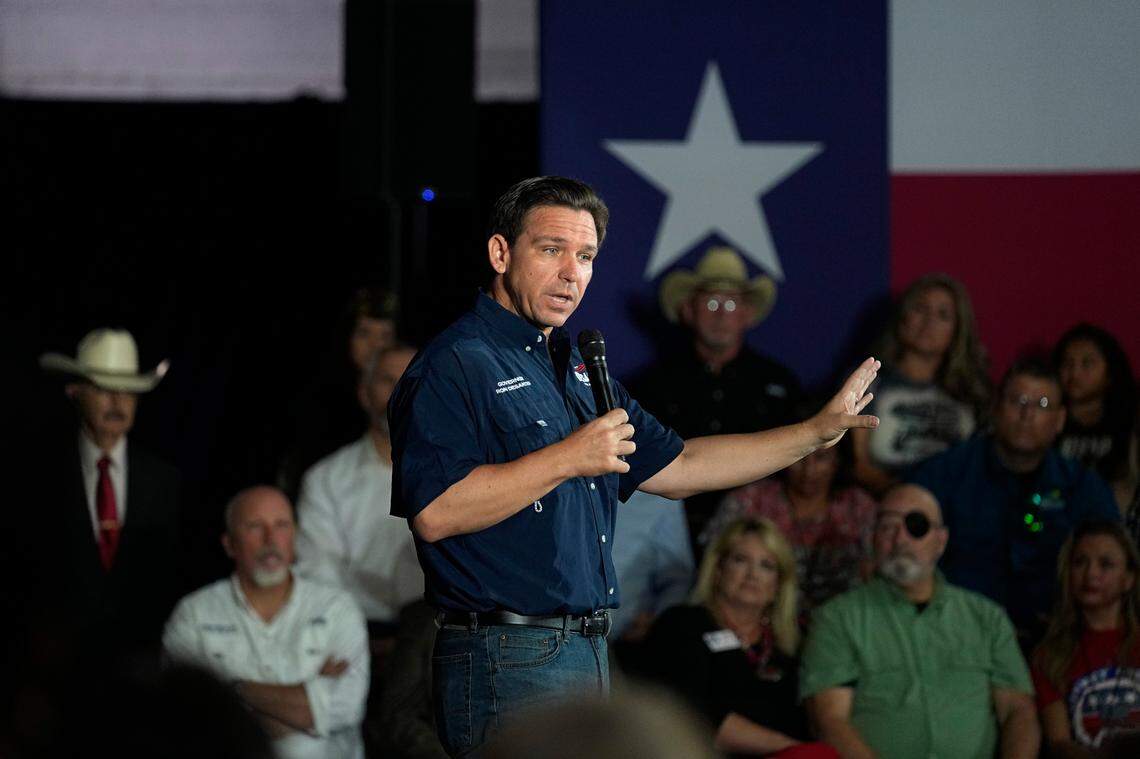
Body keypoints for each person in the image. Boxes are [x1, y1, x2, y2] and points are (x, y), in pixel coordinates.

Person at [388, 176, 881, 756]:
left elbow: (683, 465)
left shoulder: (575, 367)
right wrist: (569, 458)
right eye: (551, 250)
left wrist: (814, 434)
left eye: (586, 256)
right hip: (506, 653)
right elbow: (436, 511)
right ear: (501, 253)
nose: (572, 272)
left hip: (589, 648)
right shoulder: (455, 364)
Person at [800, 484, 1040, 759]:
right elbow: (829, 721)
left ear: (941, 541)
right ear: (873, 538)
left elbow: (1018, 710)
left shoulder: (987, 618)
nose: (901, 538)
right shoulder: (837, 619)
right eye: (888, 526)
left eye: (917, 525)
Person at [907, 356, 1120, 645]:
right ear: (996, 408)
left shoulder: (1083, 487)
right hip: (954, 635)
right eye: (1017, 400)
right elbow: (903, 545)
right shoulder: (946, 474)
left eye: (1042, 405)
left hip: (1055, 640)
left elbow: (1113, 568)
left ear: (1059, 420)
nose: (1027, 413)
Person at [163, 486, 369, 759]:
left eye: (281, 525)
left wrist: (234, 689)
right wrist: (307, 704)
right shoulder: (195, 614)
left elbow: (345, 708)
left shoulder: (337, 609)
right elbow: (189, 718)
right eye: (255, 527)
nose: (271, 539)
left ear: (294, 536)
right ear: (229, 544)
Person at [631, 245, 801, 544]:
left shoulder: (780, 384)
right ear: (688, 310)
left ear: (748, 313)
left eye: (732, 305)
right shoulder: (652, 386)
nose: (722, 315)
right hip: (666, 535)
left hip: (757, 537)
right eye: (711, 304)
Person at [35, 327, 183, 657]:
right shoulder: (39, 476)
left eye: (128, 392)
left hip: (139, 673)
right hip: (55, 671)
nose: (118, 402)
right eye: (104, 389)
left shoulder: (166, 482)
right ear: (75, 391)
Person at [643, 518, 835, 757]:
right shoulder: (683, 624)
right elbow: (689, 713)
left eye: (767, 565)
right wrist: (789, 747)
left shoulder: (791, 645)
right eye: (740, 560)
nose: (753, 574)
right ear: (718, 570)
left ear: (778, 585)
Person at [295, 344, 423, 634]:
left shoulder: (463, 474)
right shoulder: (326, 479)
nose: (401, 392)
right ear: (364, 393)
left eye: (412, 379)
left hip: (434, 637)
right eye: (388, 381)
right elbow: (318, 572)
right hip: (353, 631)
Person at [703, 404, 877, 616]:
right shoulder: (749, 501)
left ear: (838, 461)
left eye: (821, 458)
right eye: (801, 458)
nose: (809, 470)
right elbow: (711, 569)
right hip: (755, 621)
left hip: (841, 623)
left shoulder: (859, 508)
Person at [850, 273, 990, 495]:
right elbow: (859, 466)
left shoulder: (974, 391)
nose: (929, 322)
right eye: (920, 308)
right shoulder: (867, 380)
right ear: (903, 315)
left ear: (958, 329)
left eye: (943, 315)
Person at [1032, 521, 1140, 754]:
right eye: (1080, 562)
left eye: (1106, 564)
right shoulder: (1050, 655)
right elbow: (1059, 742)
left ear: (1128, 579)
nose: (1091, 574)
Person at [1054, 323, 1138, 510]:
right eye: (1067, 364)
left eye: (1087, 364)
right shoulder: (1048, 419)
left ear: (1109, 372)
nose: (1075, 373)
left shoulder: (1128, 422)